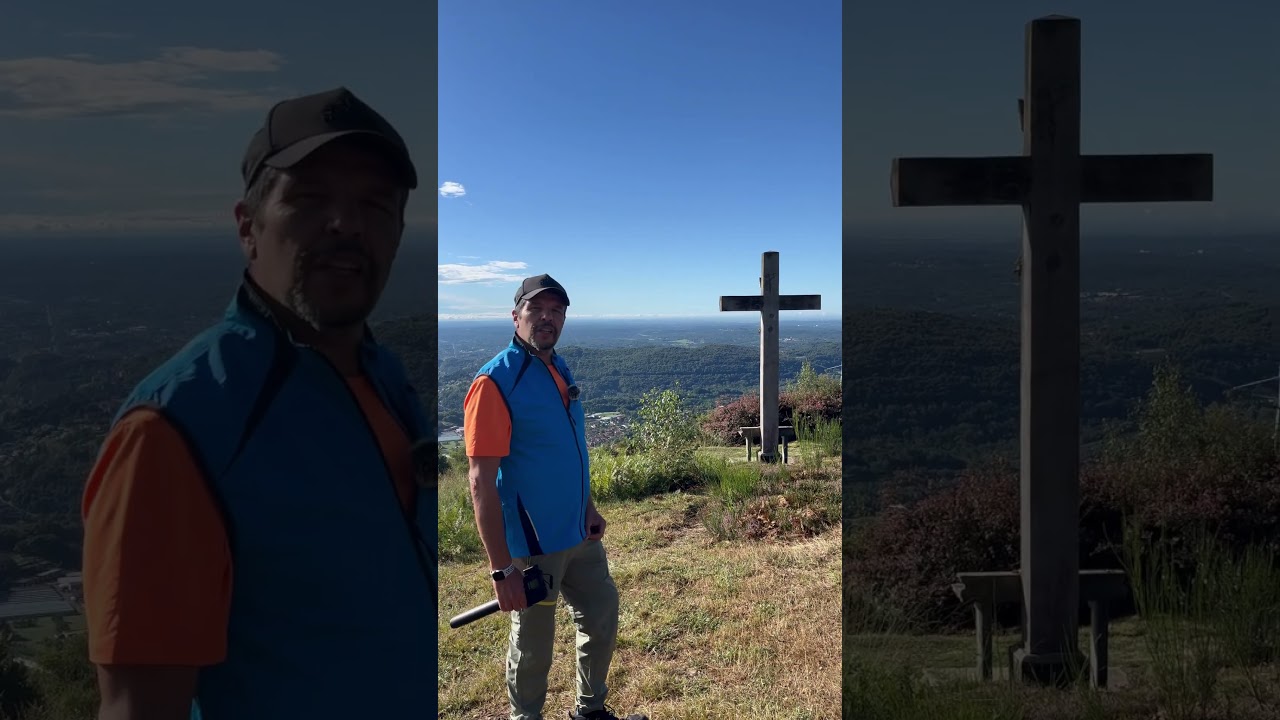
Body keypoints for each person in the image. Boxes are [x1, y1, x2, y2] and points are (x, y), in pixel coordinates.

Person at [80, 87, 436, 720]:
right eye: (310, 198)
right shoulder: (176, 429)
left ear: (397, 234)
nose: (347, 224)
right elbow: (139, 707)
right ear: (249, 226)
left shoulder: (385, 377)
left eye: (375, 205)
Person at [464, 275, 646, 720]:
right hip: (534, 546)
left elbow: (570, 449)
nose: (547, 318)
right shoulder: (495, 382)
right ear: (515, 316)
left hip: (579, 532)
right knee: (534, 646)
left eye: (556, 310)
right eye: (536, 309)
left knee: (601, 614)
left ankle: (590, 710)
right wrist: (502, 568)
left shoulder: (558, 367)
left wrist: (589, 507)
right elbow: (480, 482)